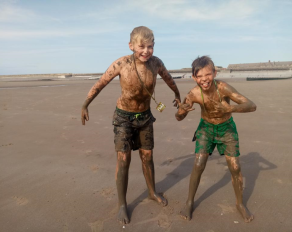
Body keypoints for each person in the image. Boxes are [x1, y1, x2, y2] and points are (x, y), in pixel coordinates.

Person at [81, 26, 181, 224]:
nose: (146, 51)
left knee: (148, 156)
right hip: (124, 118)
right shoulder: (121, 63)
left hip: (145, 117)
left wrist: (177, 94)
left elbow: (169, 78)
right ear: (131, 46)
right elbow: (100, 83)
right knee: (124, 159)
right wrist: (85, 104)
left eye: (150, 46)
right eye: (141, 46)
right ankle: (121, 204)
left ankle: (152, 191)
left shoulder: (156, 63)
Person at [175, 56, 256, 223]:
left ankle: (240, 204)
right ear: (194, 77)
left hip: (227, 128)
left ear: (214, 72)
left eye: (208, 74)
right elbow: (179, 117)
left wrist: (231, 108)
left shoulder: (223, 88)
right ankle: (189, 202)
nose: (204, 79)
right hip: (206, 128)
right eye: (199, 76)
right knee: (198, 164)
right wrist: (182, 111)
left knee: (235, 167)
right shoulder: (194, 93)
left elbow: (251, 105)